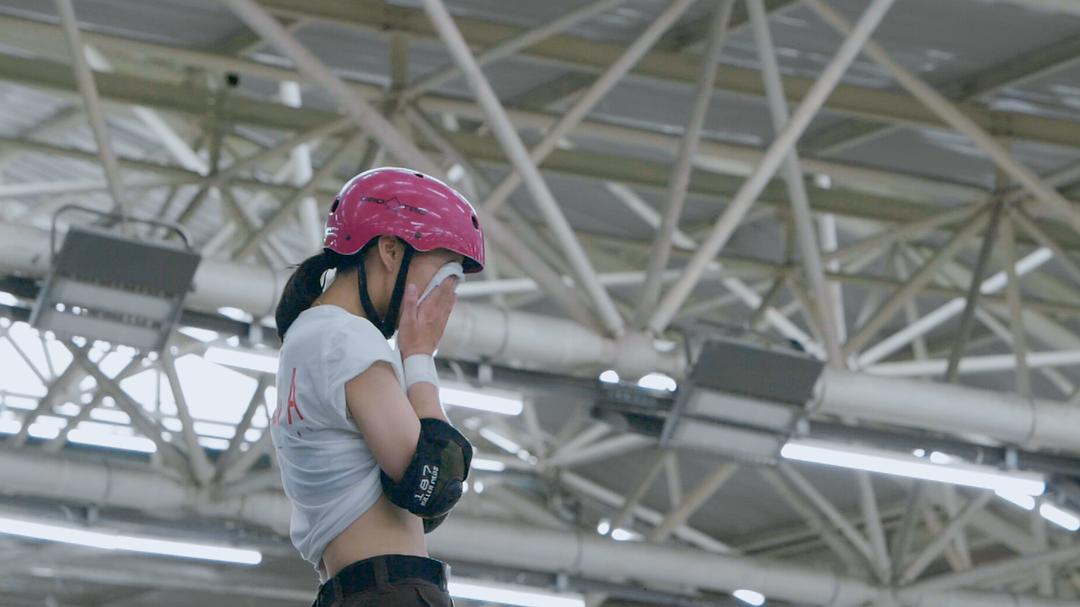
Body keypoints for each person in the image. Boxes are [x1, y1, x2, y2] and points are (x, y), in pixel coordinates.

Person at [270, 167, 485, 606]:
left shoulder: (308, 337)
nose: (447, 296)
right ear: (390, 250)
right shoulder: (343, 337)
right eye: (446, 273)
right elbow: (433, 484)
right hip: (392, 592)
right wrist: (419, 354)